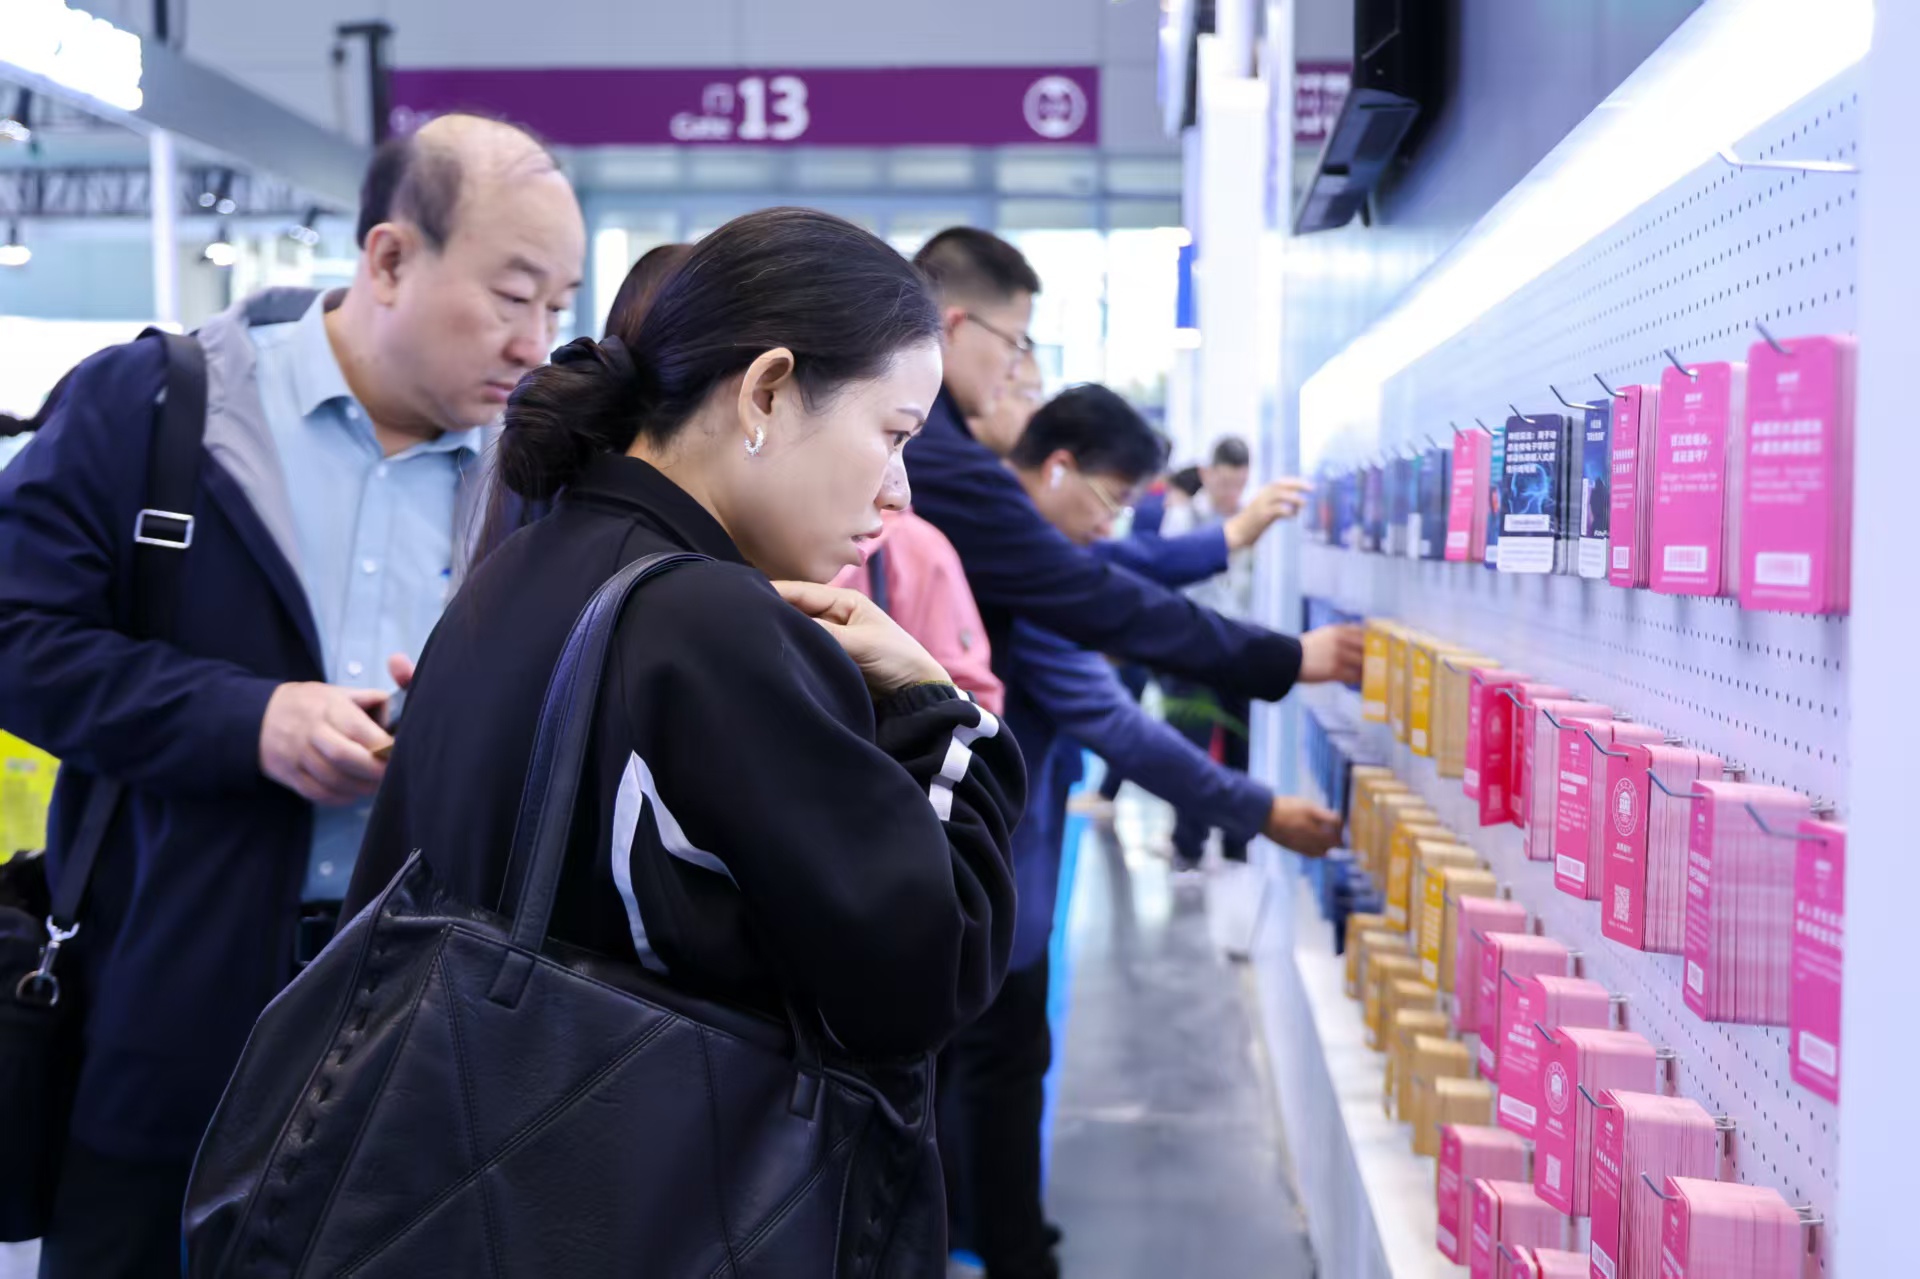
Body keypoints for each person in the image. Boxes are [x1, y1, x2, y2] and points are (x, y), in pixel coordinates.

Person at [341, 207, 1023, 1274]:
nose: (897, 490)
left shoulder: (523, 567)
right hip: (654, 1212)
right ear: (767, 391)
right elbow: (927, 972)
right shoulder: (709, 625)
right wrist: (936, 709)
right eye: (892, 434)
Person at [0, 113, 585, 1277]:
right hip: (164, 1012)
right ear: (389, 258)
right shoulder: (156, 412)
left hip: (424, 1038)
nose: (535, 344)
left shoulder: (536, 485)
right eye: (513, 296)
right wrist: (245, 719)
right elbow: (16, 632)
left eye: (559, 306)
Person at [936, 385, 1342, 1279]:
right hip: (992, 900)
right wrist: (1260, 806)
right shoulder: (1025, 581)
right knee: (993, 1078)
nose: (1112, 523)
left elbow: (1123, 573)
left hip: (982, 886)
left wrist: (1228, 539)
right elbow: (1120, 715)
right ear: (1058, 467)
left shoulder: (1001, 549)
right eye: (1112, 498)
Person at [905, 227, 1361, 708]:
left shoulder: (938, 450)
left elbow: (1098, 568)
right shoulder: (946, 462)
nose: (1014, 370)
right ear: (955, 327)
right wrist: (1285, 658)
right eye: (1014, 343)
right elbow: (1094, 592)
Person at [1158, 435, 1281, 869]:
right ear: (1207, 474)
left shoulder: (1252, 520)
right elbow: (1170, 576)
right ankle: (1187, 846)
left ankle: (1236, 845)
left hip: (1239, 649)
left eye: (1240, 484)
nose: (1232, 493)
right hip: (1190, 651)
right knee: (1188, 751)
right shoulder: (1183, 517)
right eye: (1225, 483)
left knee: (1238, 748)